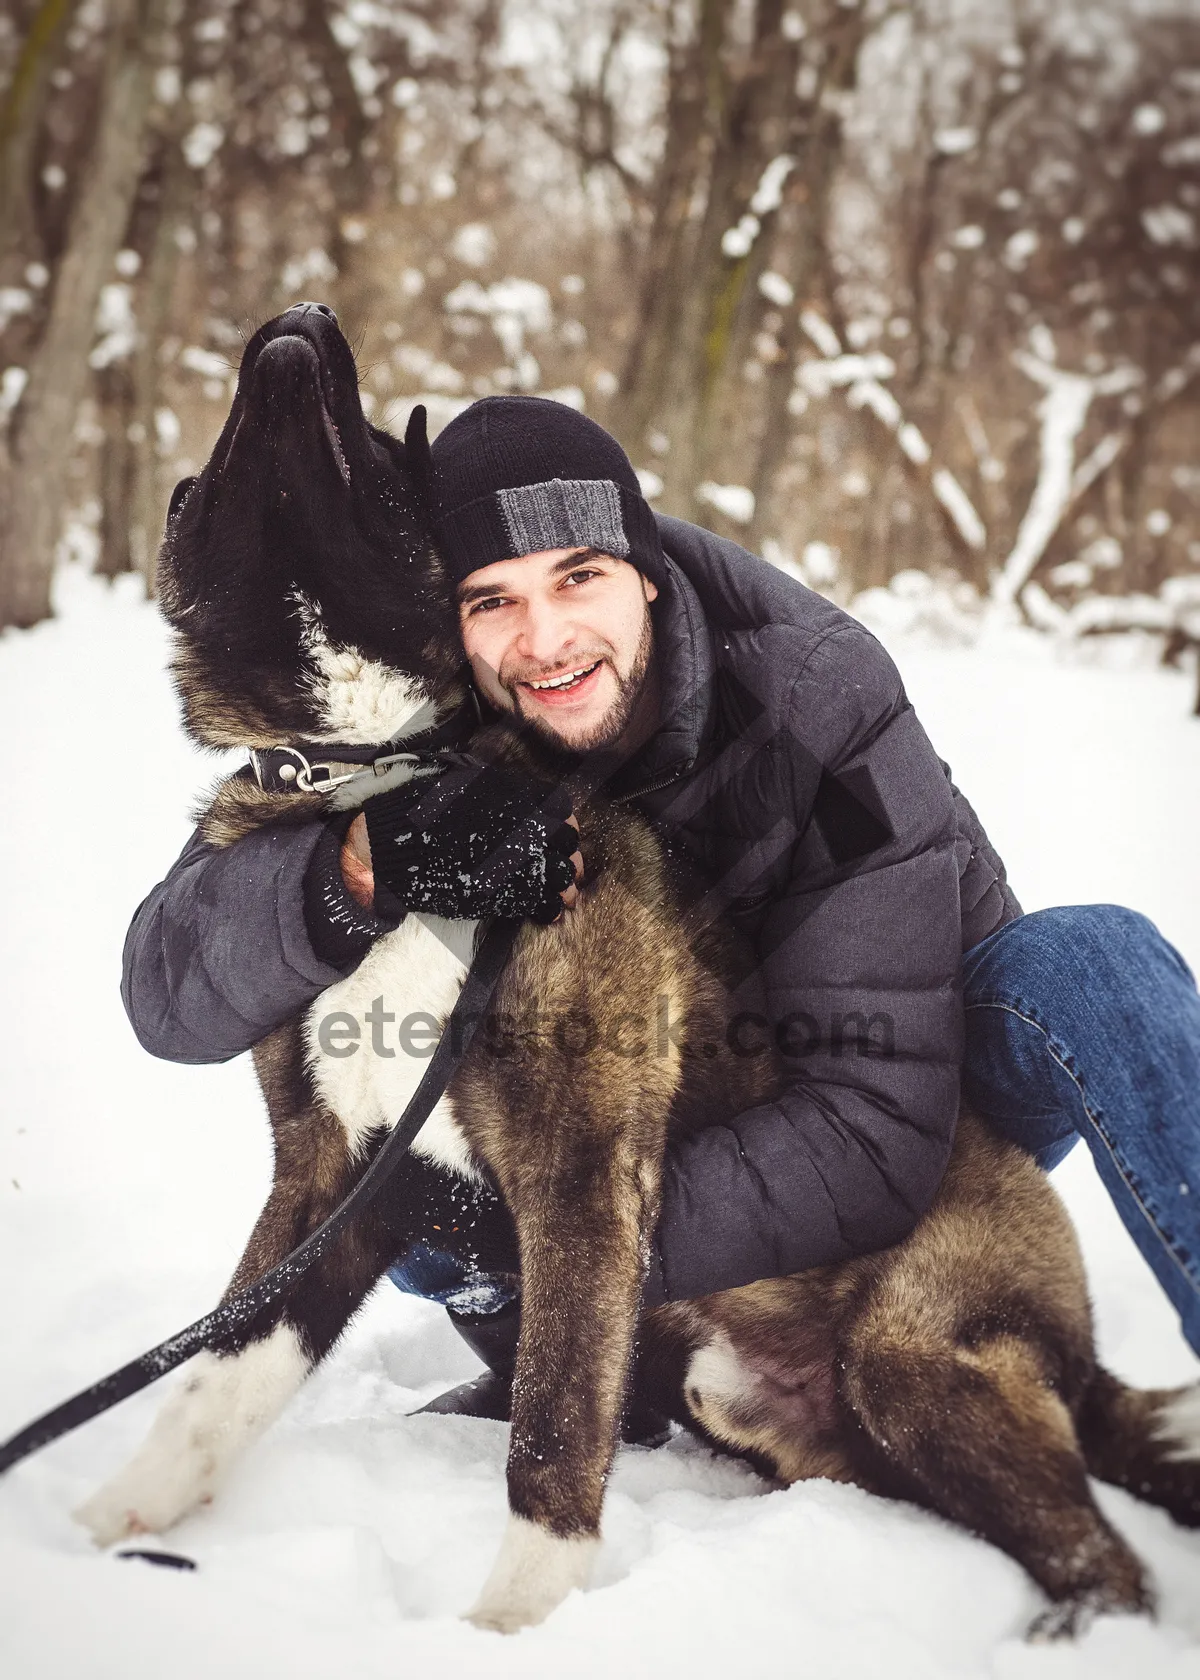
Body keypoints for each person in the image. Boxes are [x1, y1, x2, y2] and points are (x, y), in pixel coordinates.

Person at [123, 396, 1200, 1419]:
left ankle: (596, 1308)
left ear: (642, 573)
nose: (542, 640)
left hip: (916, 1130)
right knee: (383, 1083)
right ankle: (605, 1374)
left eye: (577, 578)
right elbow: (172, 995)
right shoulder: (418, 718)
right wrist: (355, 870)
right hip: (613, 1136)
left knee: (1089, 964)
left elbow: (878, 1123)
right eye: (491, 600)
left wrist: (572, 1224)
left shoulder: (811, 699)